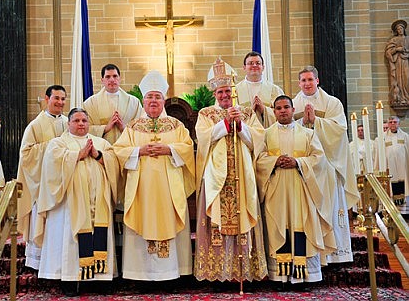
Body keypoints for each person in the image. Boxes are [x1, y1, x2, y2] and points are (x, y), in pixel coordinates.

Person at [113, 70, 195, 282]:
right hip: (142, 190)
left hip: (169, 188)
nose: (153, 101)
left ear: (164, 100)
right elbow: (119, 150)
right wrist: (138, 151)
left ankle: (172, 274)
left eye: (157, 97)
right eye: (149, 97)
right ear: (143, 99)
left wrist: (168, 150)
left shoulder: (177, 126)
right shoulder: (132, 127)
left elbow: (188, 147)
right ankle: (140, 275)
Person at [194, 57, 267, 283]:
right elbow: (203, 137)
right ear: (214, 94)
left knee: (243, 214)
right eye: (220, 93)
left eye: (227, 91)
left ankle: (244, 272)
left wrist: (241, 126)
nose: (224, 96)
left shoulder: (244, 113)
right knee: (216, 219)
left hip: (241, 175)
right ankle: (216, 274)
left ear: (233, 90)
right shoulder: (206, 114)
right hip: (215, 176)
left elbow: (258, 139)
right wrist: (225, 125)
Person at [35, 108, 119, 296]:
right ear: (69, 123)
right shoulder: (58, 143)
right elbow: (51, 165)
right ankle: (70, 281)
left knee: (99, 235)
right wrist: (77, 155)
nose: (81, 124)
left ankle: (98, 281)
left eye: (84, 120)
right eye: (76, 120)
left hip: (98, 204)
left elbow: (114, 163)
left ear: (89, 123)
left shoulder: (101, 143)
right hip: (69, 206)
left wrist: (97, 155)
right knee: (71, 241)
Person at [256, 95, 336, 288]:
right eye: (278, 108)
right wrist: (274, 161)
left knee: (301, 226)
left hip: (301, 188)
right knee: (278, 226)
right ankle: (279, 277)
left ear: (293, 110)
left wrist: (298, 162)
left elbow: (319, 159)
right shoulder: (265, 134)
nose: (283, 111)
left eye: (286, 107)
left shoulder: (307, 134)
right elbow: (258, 159)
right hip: (276, 189)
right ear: (273, 112)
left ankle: (303, 277)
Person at [292, 66, 359, 264]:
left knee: (330, 209)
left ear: (317, 80)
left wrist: (316, 121)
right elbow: (287, 130)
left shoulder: (332, 103)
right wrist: (304, 122)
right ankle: (315, 258)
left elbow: (339, 130)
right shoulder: (293, 104)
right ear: (299, 83)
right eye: (303, 80)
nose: (307, 83)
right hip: (307, 167)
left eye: (310, 80)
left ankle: (337, 256)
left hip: (328, 166)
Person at [17, 85, 68, 270]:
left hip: (64, 183)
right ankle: (38, 263)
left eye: (63, 99)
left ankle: (59, 262)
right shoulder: (35, 125)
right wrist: (53, 146)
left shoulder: (68, 122)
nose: (60, 102)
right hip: (42, 184)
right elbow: (26, 154)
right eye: (56, 98)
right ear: (47, 99)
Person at [83, 63, 142, 145]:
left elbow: (141, 129)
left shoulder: (134, 102)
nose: (112, 79)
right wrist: (105, 128)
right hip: (101, 149)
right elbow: (84, 128)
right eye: (107, 77)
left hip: (127, 148)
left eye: (115, 76)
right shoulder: (90, 103)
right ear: (102, 80)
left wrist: (123, 128)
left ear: (120, 78)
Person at [235, 51, 284, 128]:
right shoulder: (235, 91)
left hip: (268, 133)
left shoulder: (274, 90)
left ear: (263, 67)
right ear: (244, 67)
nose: (254, 65)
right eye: (250, 63)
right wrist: (250, 110)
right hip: (245, 136)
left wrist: (264, 110)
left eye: (258, 63)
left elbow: (283, 114)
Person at [383, 116, 409, 209]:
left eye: (395, 122)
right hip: (389, 168)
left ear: (399, 123)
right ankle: (392, 209)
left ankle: (404, 210)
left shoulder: (405, 136)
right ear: (388, 124)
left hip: (403, 167)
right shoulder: (382, 137)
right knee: (391, 186)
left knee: (404, 185)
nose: (393, 124)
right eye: (390, 122)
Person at [385, 19, 409, 106]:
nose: (400, 30)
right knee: (398, 80)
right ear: (396, 31)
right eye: (398, 29)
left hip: (406, 62)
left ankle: (406, 97)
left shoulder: (408, 39)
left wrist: (405, 50)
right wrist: (396, 49)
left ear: (404, 29)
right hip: (398, 62)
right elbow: (388, 52)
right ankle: (400, 98)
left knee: (407, 78)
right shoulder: (394, 40)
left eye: (401, 29)